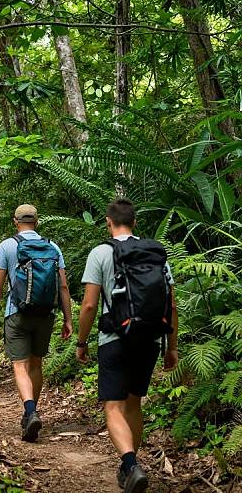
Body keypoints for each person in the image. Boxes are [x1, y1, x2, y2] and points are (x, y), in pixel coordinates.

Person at [76, 198, 179, 493]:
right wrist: (172, 346)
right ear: (135, 222)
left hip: (114, 338)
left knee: (113, 405)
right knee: (134, 402)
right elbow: (171, 303)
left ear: (109, 222)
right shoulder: (155, 253)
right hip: (150, 338)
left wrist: (81, 342)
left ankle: (131, 464)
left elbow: (89, 304)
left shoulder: (101, 253)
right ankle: (130, 466)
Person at [0, 204, 73, 443]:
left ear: (15, 221)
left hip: (17, 312)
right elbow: (63, 286)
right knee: (36, 364)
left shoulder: (7, 245)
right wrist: (68, 319)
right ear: (37, 222)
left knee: (20, 365)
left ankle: (29, 410)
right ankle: (32, 410)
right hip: (45, 314)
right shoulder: (52, 246)